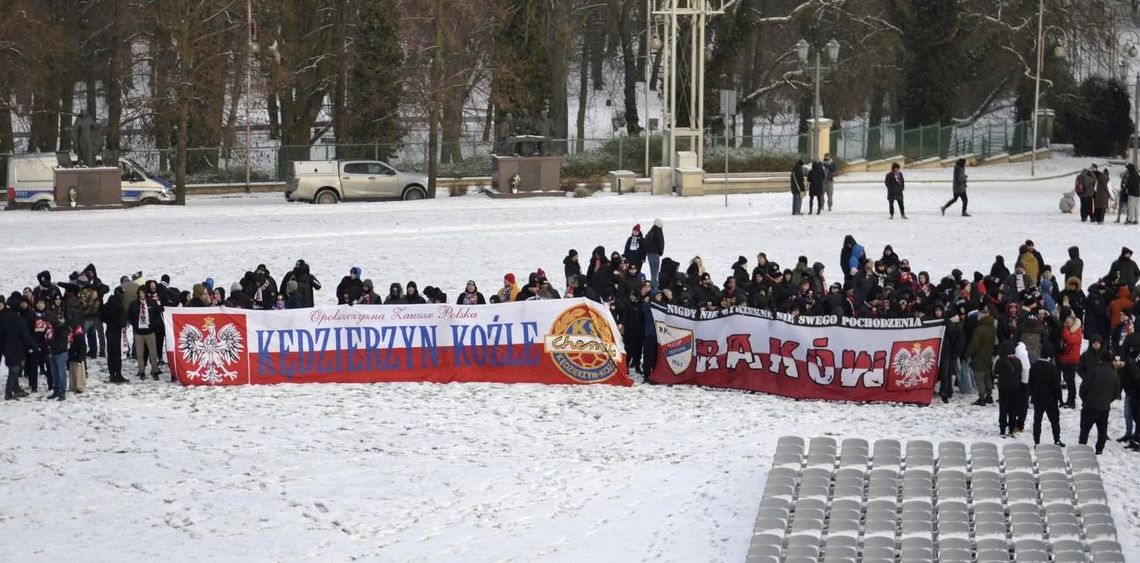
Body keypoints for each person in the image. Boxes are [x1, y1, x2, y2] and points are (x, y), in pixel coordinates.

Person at [1079, 355, 1123, 454]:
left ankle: (1082, 448)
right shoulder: (1114, 375)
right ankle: (1099, 450)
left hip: (1089, 406)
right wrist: (1107, 401)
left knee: (1085, 430)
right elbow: (1116, 393)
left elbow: (1083, 388)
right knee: (1102, 431)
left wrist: (1085, 400)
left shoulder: (1092, 371)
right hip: (1104, 408)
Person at [1028, 346, 1064, 446]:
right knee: (1054, 420)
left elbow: (1030, 383)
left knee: (1037, 420)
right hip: (1050, 399)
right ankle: (1056, 439)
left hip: (1038, 398)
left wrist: (1031, 395)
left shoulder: (1034, 366)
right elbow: (1057, 386)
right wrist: (1060, 399)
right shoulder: (1052, 368)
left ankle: (1037, 441)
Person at [127, 288, 161, 380]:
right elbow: (130, 316)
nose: (141, 295)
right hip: (139, 332)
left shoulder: (152, 303)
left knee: (153, 353)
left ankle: (155, 370)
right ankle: (141, 371)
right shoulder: (134, 304)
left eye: (142, 293)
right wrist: (135, 325)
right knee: (140, 353)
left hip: (150, 331)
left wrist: (153, 324)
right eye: (139, 293)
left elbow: (158, 314)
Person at [967, 306, 997, 405]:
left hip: (979, 356)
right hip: (988, 355)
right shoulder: (992, 327)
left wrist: (967, 353)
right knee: (987, 376)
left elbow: (974, 345)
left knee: (979, 377)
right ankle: (989, 396)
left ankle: (981, 398)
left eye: (979, 315)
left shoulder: (979, 329)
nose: (978, 317)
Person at [995, 339, 1022, 436]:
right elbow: (1020, 372)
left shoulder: (1000, 361)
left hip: (1003, 387)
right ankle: (1011, 428)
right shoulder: (1018, 361)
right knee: (1013, 409)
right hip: (1015, 387)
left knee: (1003, 408)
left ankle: (1002, 428)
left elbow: (995, 372)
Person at [1058, 315, 1083, 409]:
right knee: (1068, 379)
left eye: (1068, 323)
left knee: (1070, 380)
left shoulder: (1077, 332)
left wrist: (1064, 329)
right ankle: (1070, 399)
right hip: (1066, 358)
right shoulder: (1070, 331)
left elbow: (1069, 340)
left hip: (1072, 359)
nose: (1066, 324)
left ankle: (1072, 400)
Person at [645, 219, 664, 290]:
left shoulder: (650, 231)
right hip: (655, 254)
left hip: (649, 254)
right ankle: (655, 288)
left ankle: (654, 286)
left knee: (652, 272)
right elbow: (661, 243)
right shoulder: (658, 231)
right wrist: (660, 252)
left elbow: (646, 242)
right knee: (655, 273)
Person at [68, 324, 87, 395]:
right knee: (73, 372)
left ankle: (79, 386)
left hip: (78, 357)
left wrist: (81, 357)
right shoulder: (73, 334)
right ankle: (73, 385)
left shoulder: (79, 335)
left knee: (79, 372)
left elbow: (83, 348)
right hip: (73, 355)